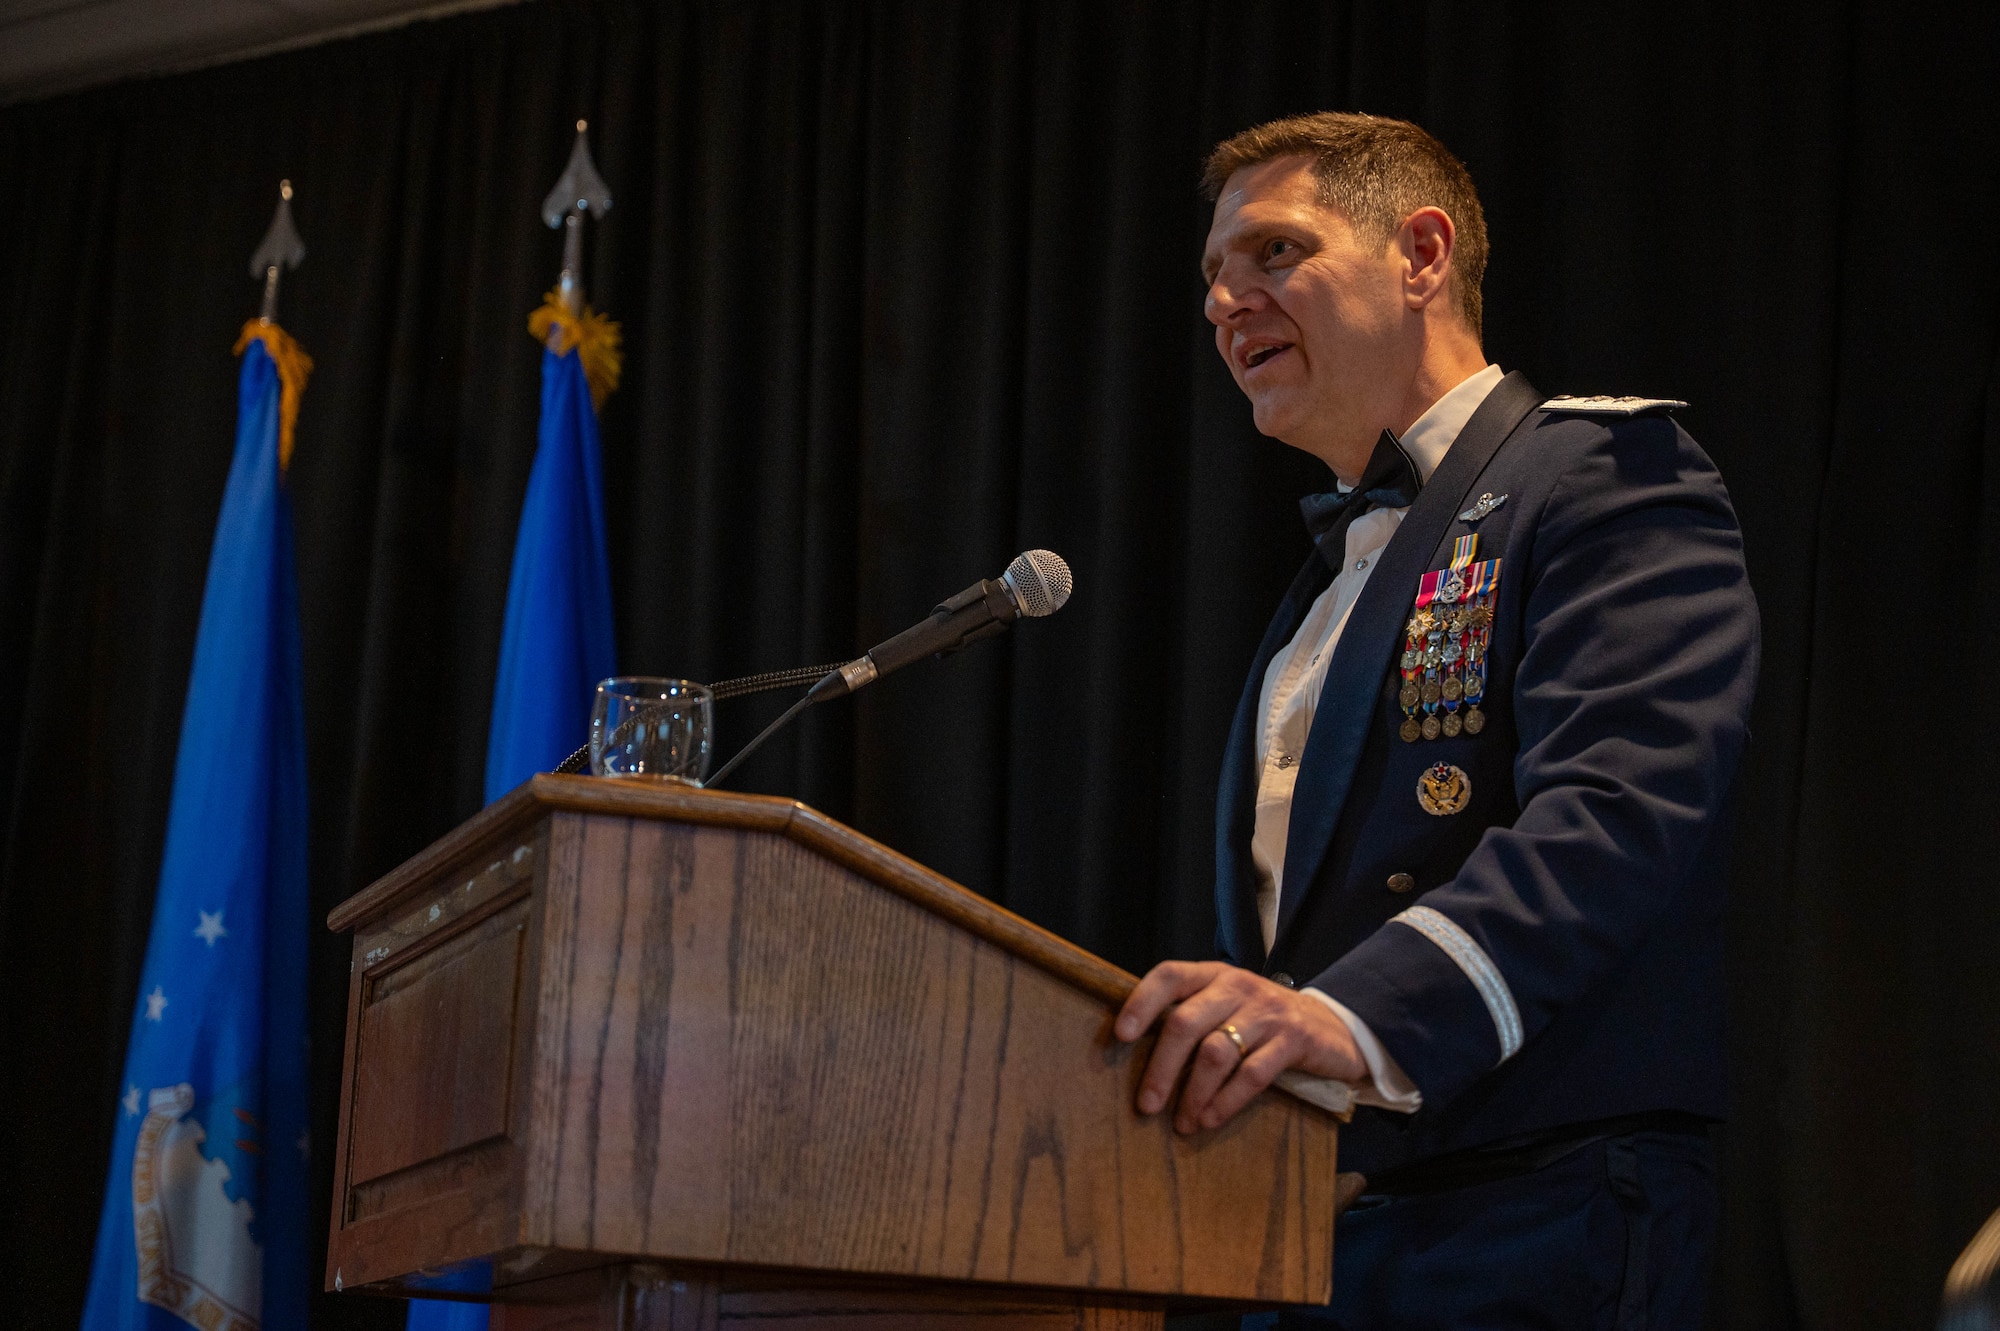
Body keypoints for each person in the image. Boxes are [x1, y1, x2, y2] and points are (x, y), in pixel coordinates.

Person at [1113, 112, 1760, 1328]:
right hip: (1312, 1225)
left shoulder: (1604, 481)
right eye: (1210, 274)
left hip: (1533, 1212)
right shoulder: (1326, 580)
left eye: (1272, 253)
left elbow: (1620, 812)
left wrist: (1351, 1019)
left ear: (1419, 254)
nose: (1221, 300)